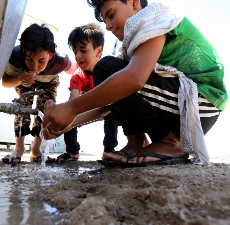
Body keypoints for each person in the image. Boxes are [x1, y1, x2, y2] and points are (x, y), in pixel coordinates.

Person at [42, 0, 227, 166]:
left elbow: (135, 80)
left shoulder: (155, 16)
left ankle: (170, 143)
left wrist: (71, 107)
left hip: (201, 103)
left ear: (134, 2)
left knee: (106, 70)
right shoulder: (133, 47)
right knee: (111, 78)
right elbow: (112, 101)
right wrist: (71, 122)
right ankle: (136, 142)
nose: (107, 26)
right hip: (182, 104)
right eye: (105, 21)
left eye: (111, 15)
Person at [2, 23, 77, 164]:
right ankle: (19, 148)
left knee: (47, 107)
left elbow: (76, 68)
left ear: (51, 55)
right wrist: (19, 79)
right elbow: (5, 82)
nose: (35, 66)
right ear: (24, 50)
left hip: (48, 80)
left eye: (41, 61)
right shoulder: (15, 56)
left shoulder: (61, 60)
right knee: (23, 104)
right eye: (30, 59)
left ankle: (36, 149)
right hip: (22, 78)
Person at [57, 23, 118, 163]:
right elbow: (72, 103)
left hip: (107, 108)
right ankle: (72, 151)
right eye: (75, 52)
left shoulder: (109, 73)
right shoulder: (78, 76)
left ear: (98, 51)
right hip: (86, 110)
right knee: (68, 116)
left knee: (113, 112)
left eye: (83, 51)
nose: (78, 56)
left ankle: (109, 151)